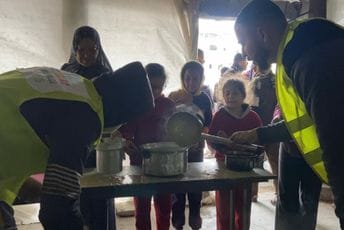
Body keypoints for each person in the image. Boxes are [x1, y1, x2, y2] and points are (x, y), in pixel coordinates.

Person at [230, 0, 344, 228]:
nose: (245, 53)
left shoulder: (310, 57)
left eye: (244, 42)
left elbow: (336, 138)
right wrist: (256, 135)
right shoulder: (295, 51)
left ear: (262, 34)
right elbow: (302, 122)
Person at [0, 62, 154, 229]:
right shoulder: (85, 117)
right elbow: (57, 211)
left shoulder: (77, 87)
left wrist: (51, 192)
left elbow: (38, 189)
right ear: (119, 115)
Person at [120, 63, 176, 230]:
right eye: (151, 87)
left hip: (164, 165)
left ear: (164, 85)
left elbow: (175, 131)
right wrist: (126, 143)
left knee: (165, 207)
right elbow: (127, 132)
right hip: (139, 163)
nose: (155, 91)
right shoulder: (136, 106)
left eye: (159, 87)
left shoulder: (169, 105)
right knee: (142, 209)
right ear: (143, 85)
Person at [208, 79, 262, 230]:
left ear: (243, 95)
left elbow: (261, 142)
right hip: (223, 167)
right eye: (227, 93)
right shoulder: (219, 116)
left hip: (245, 169)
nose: (231, 96)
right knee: (224, 209)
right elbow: (212, 141)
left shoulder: (253, 117)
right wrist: (220, 142)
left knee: (243, 207)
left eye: (235, 93)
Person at [169, 61, 212, 230]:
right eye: (187, 78)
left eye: (195, 79)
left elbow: (208, 124)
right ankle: (177, 224)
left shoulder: (204, 99)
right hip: (177, 152)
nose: (191, 83)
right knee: (177, 192)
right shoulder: (174, 96)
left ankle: (196, 222)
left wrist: (198, 140)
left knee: (195, 190)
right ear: (182, 78)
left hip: (196, 151)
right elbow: (169, 122)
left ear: (201, 79)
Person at [247, 63, 278, 203]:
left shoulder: (275, 81)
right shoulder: (253, 82)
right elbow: (250, 106)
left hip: (271, 127)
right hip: (260, 129)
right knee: (256, 162)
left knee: (273, 161)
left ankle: (278, 193)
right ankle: (254, 193)